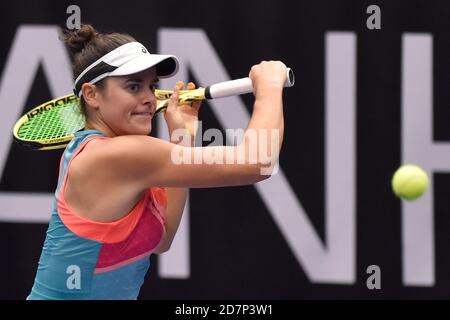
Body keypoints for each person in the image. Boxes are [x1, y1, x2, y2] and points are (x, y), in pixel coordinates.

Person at [27, 24, 287, 300]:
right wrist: (269, 88)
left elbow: (162, 239)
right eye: (133, 86)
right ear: (91, 95)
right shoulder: (115, 155)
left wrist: (182, 136)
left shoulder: (120, 157)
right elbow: (258, 161)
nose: (149, 99)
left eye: (151, 86)